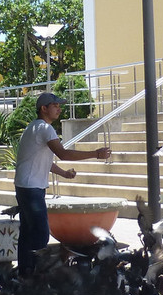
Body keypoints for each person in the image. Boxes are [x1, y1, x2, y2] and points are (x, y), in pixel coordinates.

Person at [13, 92, 111, 278]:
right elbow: (63, 154)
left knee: (27, 232)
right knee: (41, 233)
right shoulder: (45, 128)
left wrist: (64, 174)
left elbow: (42, 161)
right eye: (55, 105)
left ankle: (25, 272)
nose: (59, 108)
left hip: (24, 187)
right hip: (32, 189)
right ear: (43, 108)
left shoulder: (34, 128)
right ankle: (38, 275)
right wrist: (96, 154)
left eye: (60, 105)